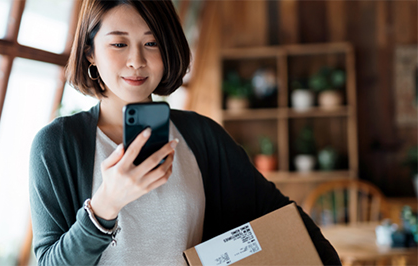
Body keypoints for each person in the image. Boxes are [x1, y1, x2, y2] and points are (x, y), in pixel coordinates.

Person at [29, 0, 341, 265]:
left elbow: (282, 217)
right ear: (90, 53)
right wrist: (104, 206)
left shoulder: (201, 135)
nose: (136, 60)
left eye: (151, 43)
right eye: (119, 43)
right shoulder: (58, 145)